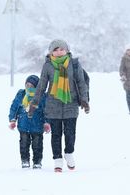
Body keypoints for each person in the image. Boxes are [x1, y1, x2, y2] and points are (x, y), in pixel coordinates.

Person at [28, 39, 89, 172]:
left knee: (70, 132)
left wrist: (84, 100)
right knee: (56, 134)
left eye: (61, 49)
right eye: (55, 50)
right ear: (51, 52)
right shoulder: (48, 65)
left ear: (67, 50)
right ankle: (57, 160)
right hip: (53, 105)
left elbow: (81, 83)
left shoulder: (74, 64)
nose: (59, 52)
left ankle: (69, 153)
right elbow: (41, 86)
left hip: (71, 103)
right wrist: (34, 103)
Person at [8, 75, 50, 169]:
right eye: (27, 85)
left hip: (37, 125)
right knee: (24, 144)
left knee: (37, 145)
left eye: (32, 86)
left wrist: (47, 122)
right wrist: (12, 119)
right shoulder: (21, 94)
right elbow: (14, 108)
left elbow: (46, 111)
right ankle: (25, 160)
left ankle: (37, 161)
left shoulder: (42, 96)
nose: (29, 88)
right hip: (24, 124)